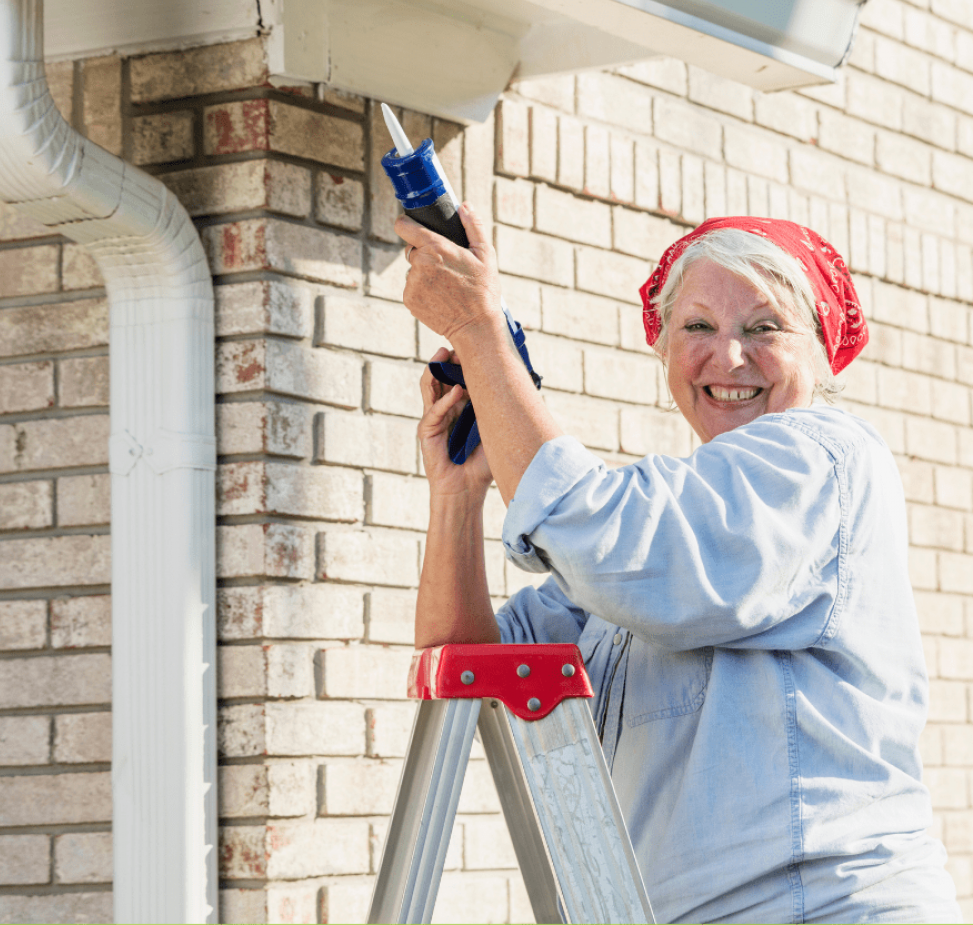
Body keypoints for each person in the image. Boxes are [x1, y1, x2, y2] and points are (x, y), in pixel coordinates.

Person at [397, 205, 962, 925]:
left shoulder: (822, 461)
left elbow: (606, 535)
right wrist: (457, 499)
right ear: (663, 350)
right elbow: (473, 669)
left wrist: (480, 334)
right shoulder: (665, 531)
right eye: (698, 327)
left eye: (764, 328)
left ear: (823, 354)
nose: (729, 357)